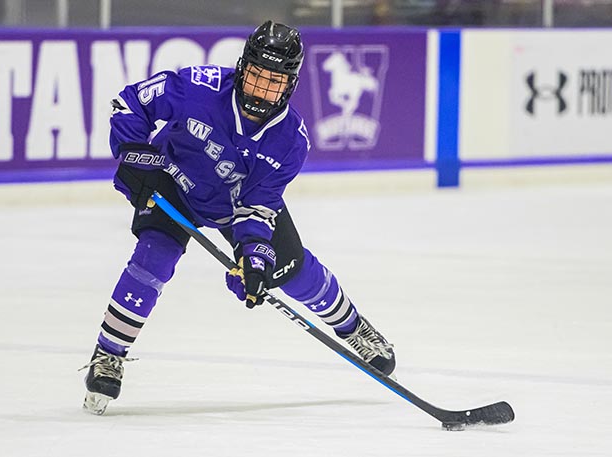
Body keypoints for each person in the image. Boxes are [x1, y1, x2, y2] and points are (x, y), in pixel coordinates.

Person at [79, 21, 396, 415]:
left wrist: (255, 258)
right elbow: (131, 103)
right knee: (154, 257)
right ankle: (108, 354)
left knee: (293, 270)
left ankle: (353, 326)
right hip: (174, 183)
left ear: (291, 84)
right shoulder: (199, 87)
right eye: (256, 75)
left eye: (274, 82)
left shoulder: (291, 140)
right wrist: (134, 155)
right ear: (242, 67)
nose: (260, 90)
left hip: (235, 205)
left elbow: (258, 205)